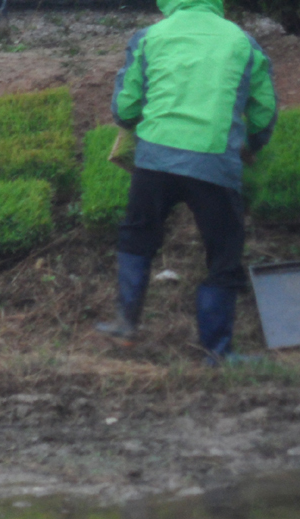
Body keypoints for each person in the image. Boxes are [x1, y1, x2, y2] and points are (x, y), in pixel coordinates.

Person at [96, 0, 277, 363]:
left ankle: (125, 324)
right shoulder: (242, 42)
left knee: (137, 234)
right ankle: (217, 352)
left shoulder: (150, 37)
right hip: (214, 161)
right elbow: (264, 110)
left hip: (155, 159)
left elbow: (125, 109)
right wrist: (251, 143)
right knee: (223, 254)